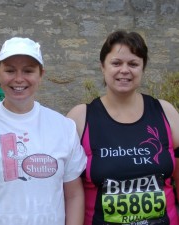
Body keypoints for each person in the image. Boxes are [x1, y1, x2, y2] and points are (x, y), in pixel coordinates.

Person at [0, 37, 87, 225]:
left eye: (28, 70)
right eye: (10, 70)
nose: (19, 79)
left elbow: (74, 194)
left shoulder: (63, 127)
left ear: (41, 74)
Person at [67, 30, 179, 225]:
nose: (125, 70)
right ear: (102, 67)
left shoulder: (165, 112)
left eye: (133, 64)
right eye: (116, 63)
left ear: (143, 68)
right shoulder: (80, 118)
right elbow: (66, 189)